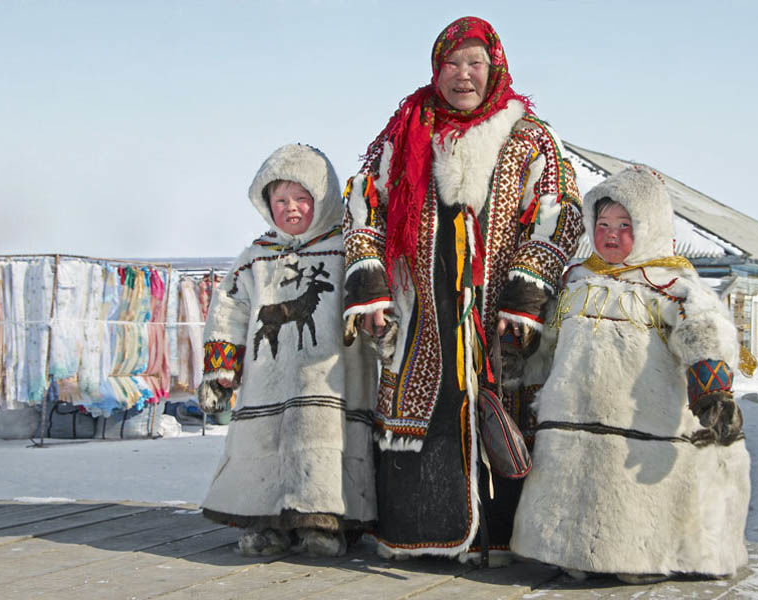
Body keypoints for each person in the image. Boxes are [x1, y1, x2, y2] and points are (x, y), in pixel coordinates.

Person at [341, 16, 584, 562]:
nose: (462, 75)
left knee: (502, 412)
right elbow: (363, 204)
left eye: (474, 63)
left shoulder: (529, 138)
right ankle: (419, 539)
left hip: (498, 317)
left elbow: (559, 214)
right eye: (451, 64)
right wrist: (371, 282)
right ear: (436, 69)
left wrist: (526, 296)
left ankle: (500, 541)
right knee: (420, 411)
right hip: (420, 313)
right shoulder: (404, 134)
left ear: (493, 65)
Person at [511, 166, 750, 582]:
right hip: (572, 423)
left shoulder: (672, 285)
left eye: (625, 225)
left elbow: (705, 332)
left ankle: (639, 559)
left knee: (634, 498)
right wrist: (524, 375)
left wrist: (712, 390)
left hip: (644, 426)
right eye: (602, 224)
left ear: (650, 226)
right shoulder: (576, 283)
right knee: (574, 486)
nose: (611, 235)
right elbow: (548, 344)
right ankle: (573, 552)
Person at [198, 143, 378, 557]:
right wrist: (221, 371)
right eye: (281, 200)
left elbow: (373, 301)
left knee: (327, 451)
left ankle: (326, 525)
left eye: (302, 198)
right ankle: (264, 524)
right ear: (266, 204)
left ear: (324, 198)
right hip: (267, 385)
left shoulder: (347, 250)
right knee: (262, 452)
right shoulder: (256, 258)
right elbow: (228, 311)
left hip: (330, 379)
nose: (292, 209)